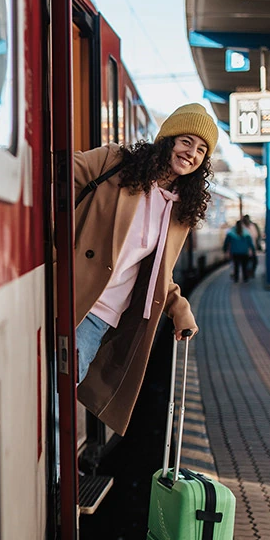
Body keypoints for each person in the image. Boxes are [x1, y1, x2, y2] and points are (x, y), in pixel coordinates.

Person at [71, 103, 218, 436]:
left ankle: (53, 475)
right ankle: (48, 477)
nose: (191, 153)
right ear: (167, 139)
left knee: (56, 391)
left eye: (201, 150)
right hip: (66, 292)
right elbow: (59, 173)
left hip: (100, 316)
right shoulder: (116, 162)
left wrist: (179, 308)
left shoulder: (180, 211)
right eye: (186, 141)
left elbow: (158, 273)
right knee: (39, 388)